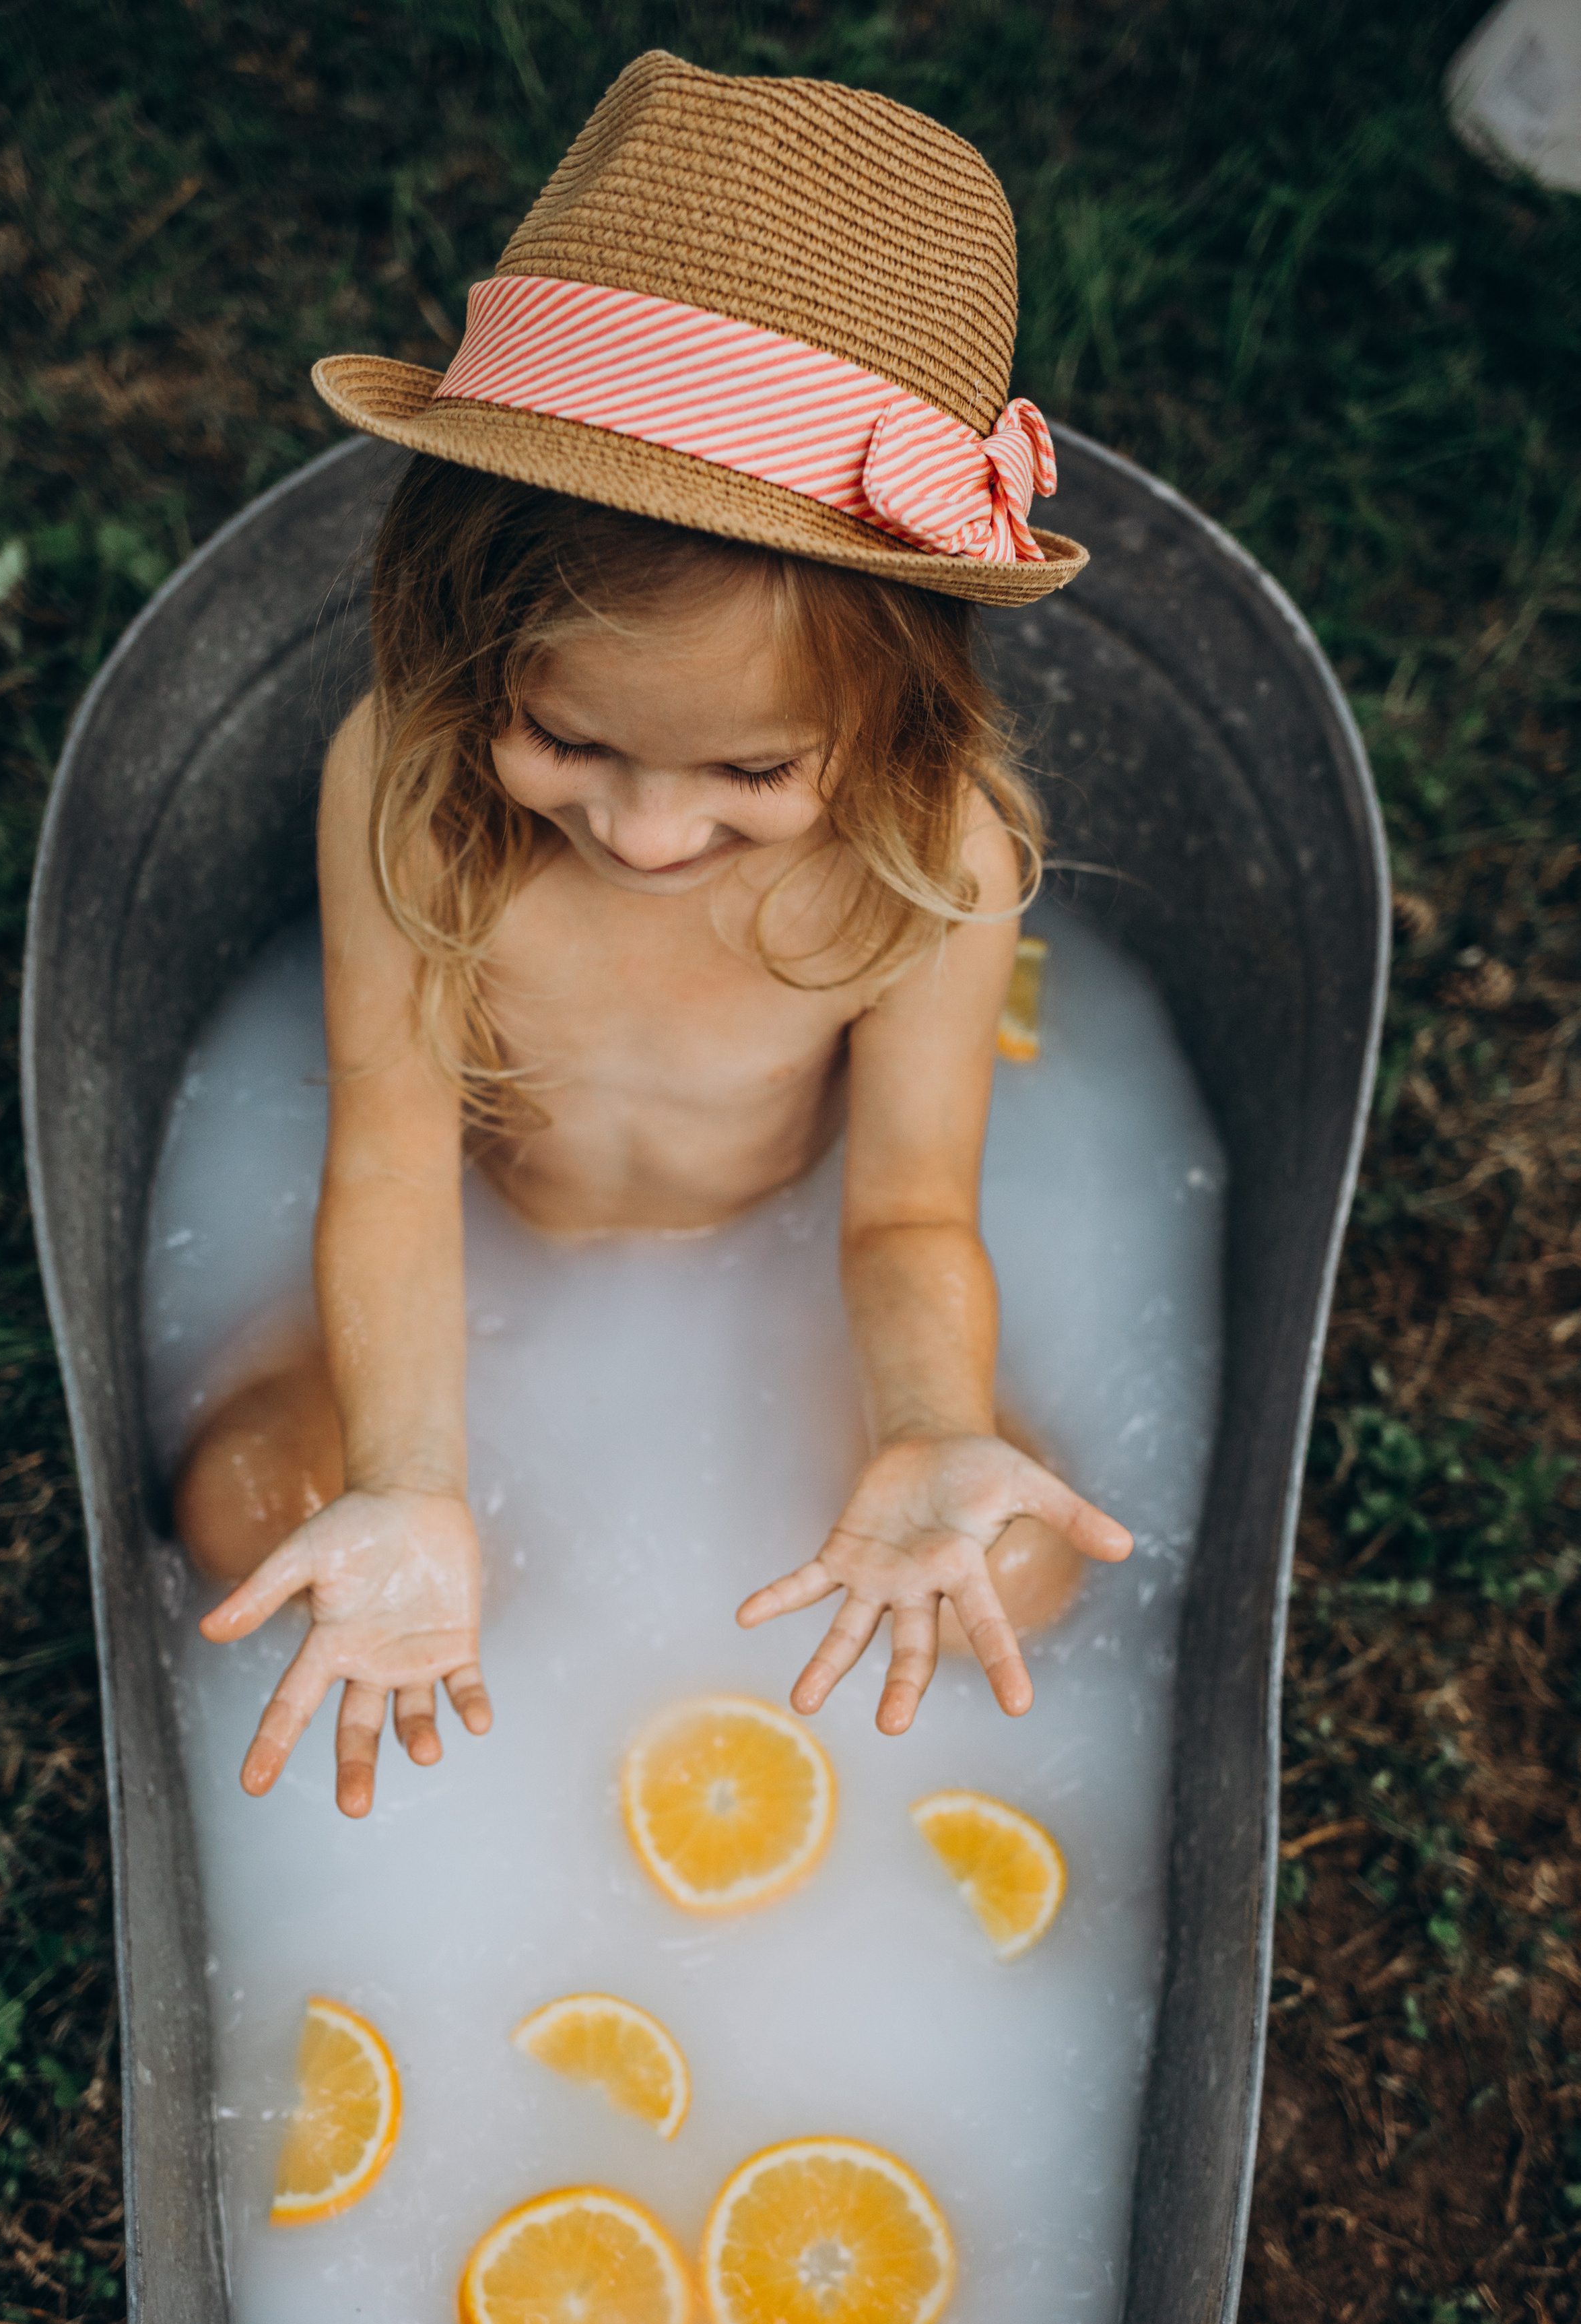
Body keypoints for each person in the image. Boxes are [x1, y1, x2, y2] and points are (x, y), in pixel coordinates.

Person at [174, 51, 1135, 1818]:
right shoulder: (403, 777)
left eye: (752, 770)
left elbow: (911, 1207)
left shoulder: (936, 856)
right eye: (569, 739)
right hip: (468, 1241)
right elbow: (389, 1163)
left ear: (901, 713)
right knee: (250, 1506)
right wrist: (408, 1476)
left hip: (782, 1267)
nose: (643, 829)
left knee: (1011, 1563)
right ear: (465, 640)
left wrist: (929, 1426)